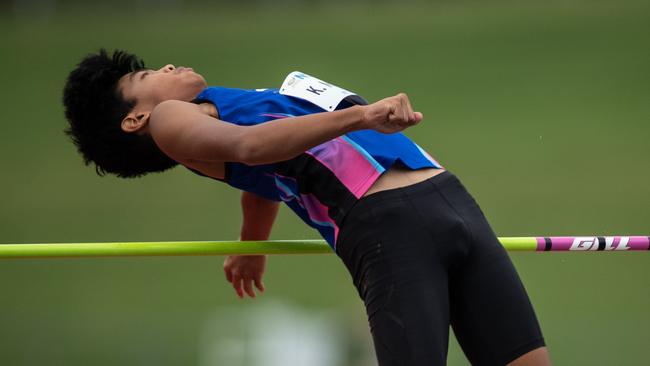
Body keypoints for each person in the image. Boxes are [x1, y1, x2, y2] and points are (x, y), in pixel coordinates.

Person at [63, 49, 551, 366]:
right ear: (136, 119)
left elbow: (260, 170)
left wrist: (251, 244)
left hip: (445, 200)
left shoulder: (220, 105)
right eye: (149, 75)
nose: (168, 66)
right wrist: (359, 116)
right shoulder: (169, 120)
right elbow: (253, 148)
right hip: (388, 225)